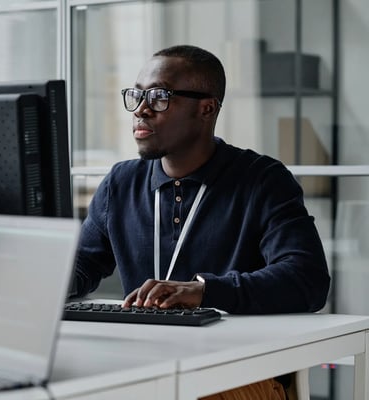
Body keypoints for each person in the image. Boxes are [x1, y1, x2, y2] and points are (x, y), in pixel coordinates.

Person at [72, 44, 331, 399]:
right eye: (137, 95)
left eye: (160, 97)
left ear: (206, 108)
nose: (141, 110)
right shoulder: (121, 182)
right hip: (144, 366)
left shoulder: (262, 179)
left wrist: (204, 291)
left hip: (238, 372)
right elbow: (83, 264)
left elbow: (307, 279)